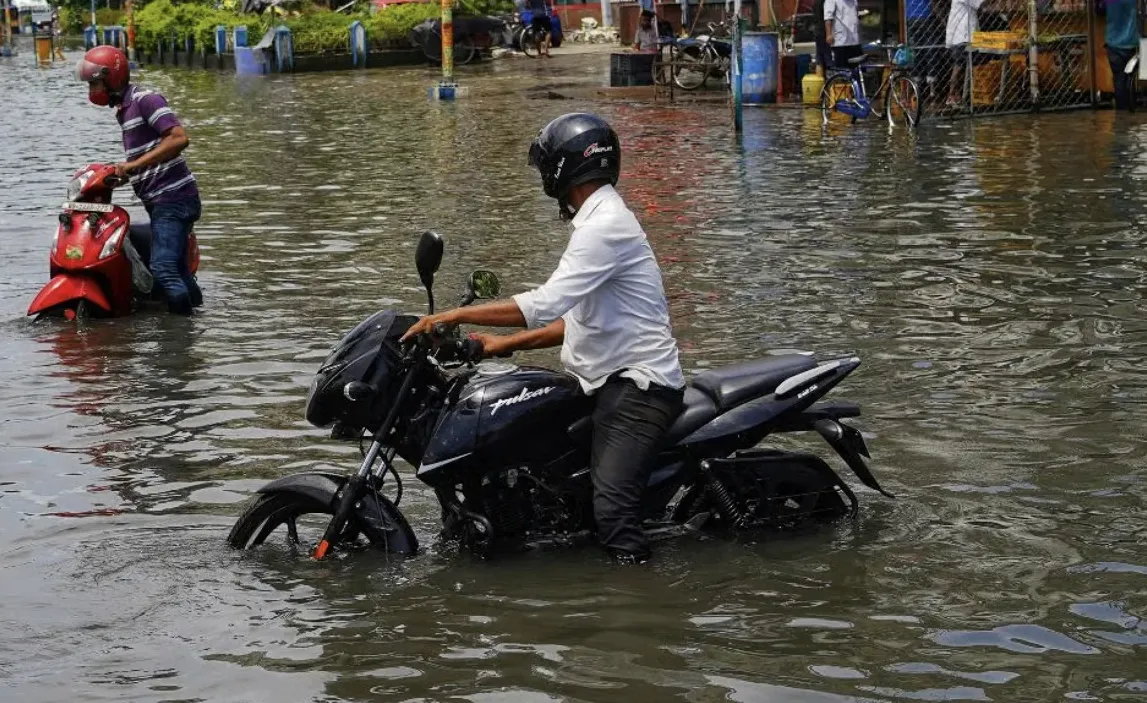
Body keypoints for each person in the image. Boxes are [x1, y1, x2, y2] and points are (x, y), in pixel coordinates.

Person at [403, 113, 685, 564]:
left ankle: (637, 607)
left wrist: (452, 315)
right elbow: (573, 320)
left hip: (639, 389)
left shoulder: (604, 227)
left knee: (612, 514)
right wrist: (495, 345)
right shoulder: (597, 223)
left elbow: (544, 304)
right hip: (604, 382)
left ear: (564, 168)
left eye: (545, 168)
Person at [74, 46, 203, 315]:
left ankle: (181, 337)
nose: (92, 89)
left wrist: (132, 165)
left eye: (95, 82)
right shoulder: (125, 109)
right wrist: (121, 176)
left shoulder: (146, 99)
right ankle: (198, 314)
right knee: (177, 268)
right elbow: (148, 156)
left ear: (113, 77)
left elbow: (179, 138)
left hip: (175, 198)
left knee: (163, 269)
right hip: (161, 200)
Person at [945, 0, 984, 106]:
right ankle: (952, 94)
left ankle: (957, 95)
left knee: (960, 65)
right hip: (962, 34)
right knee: (958, 66)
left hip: (963, 34)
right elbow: (979, 4)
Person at [1105, 0, 1140, 111]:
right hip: (1131, 43)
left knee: (1119, 78)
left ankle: (1121, 110)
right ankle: (1131, 106)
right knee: (1130, 79)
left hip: (1113, 43)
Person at [823, 0, 861, 68]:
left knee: (857, 68)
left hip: (854, 40)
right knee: (842, 69)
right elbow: (828, 18)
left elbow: (856, 14)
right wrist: (828, 34)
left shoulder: (854, 1)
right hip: (840, 41)